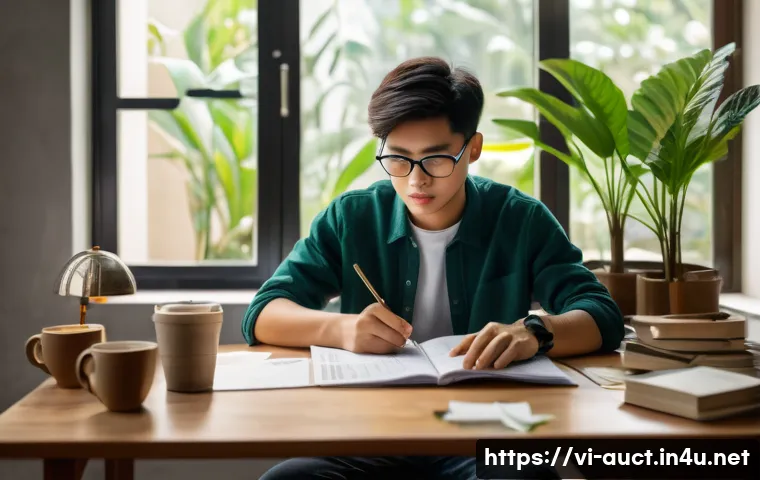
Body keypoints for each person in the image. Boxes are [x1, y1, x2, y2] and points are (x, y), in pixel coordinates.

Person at [242, 56, 625, 480]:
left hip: (483, 436)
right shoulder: (353, 217)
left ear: (473, 149)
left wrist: (533, 332)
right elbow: (265, 312)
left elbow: (602, 316)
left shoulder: (520, 219)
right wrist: (343, 329)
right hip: (369, 430)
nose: (415, 181)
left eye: (436, 159)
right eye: (399, 159)